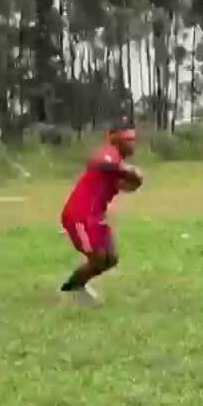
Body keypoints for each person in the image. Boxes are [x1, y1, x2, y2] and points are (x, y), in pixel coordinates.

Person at [59, 123, 143, 304]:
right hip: (79, 215)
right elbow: (97, 162)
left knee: (111, 258)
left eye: (134, 140)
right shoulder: (109, 153)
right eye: (128, 140)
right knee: (98, 259)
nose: (133, 144)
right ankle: (72, 289)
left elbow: (126, 186)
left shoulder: (118, 163)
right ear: (116, 140)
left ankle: (77, 286)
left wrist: (135, 180)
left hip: (96, 216)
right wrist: (127, 170)